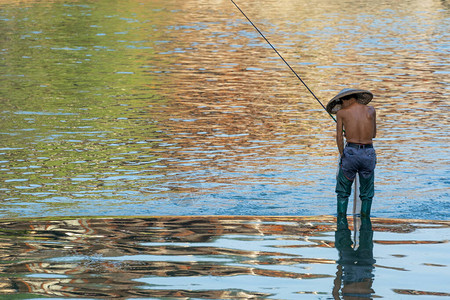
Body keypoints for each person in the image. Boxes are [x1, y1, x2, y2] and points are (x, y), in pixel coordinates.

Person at [326, 88, 377, 218]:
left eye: (341, 102)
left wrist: (343, 154)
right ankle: (365, 221)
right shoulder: (371, 110)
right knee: (367, 193)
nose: (341, 106)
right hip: (368, 153)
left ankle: (341, 222)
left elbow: (338, 138)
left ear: (346, 100)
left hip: (351, 153)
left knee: (343, 192)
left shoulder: (342, 113)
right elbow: (373, 134)